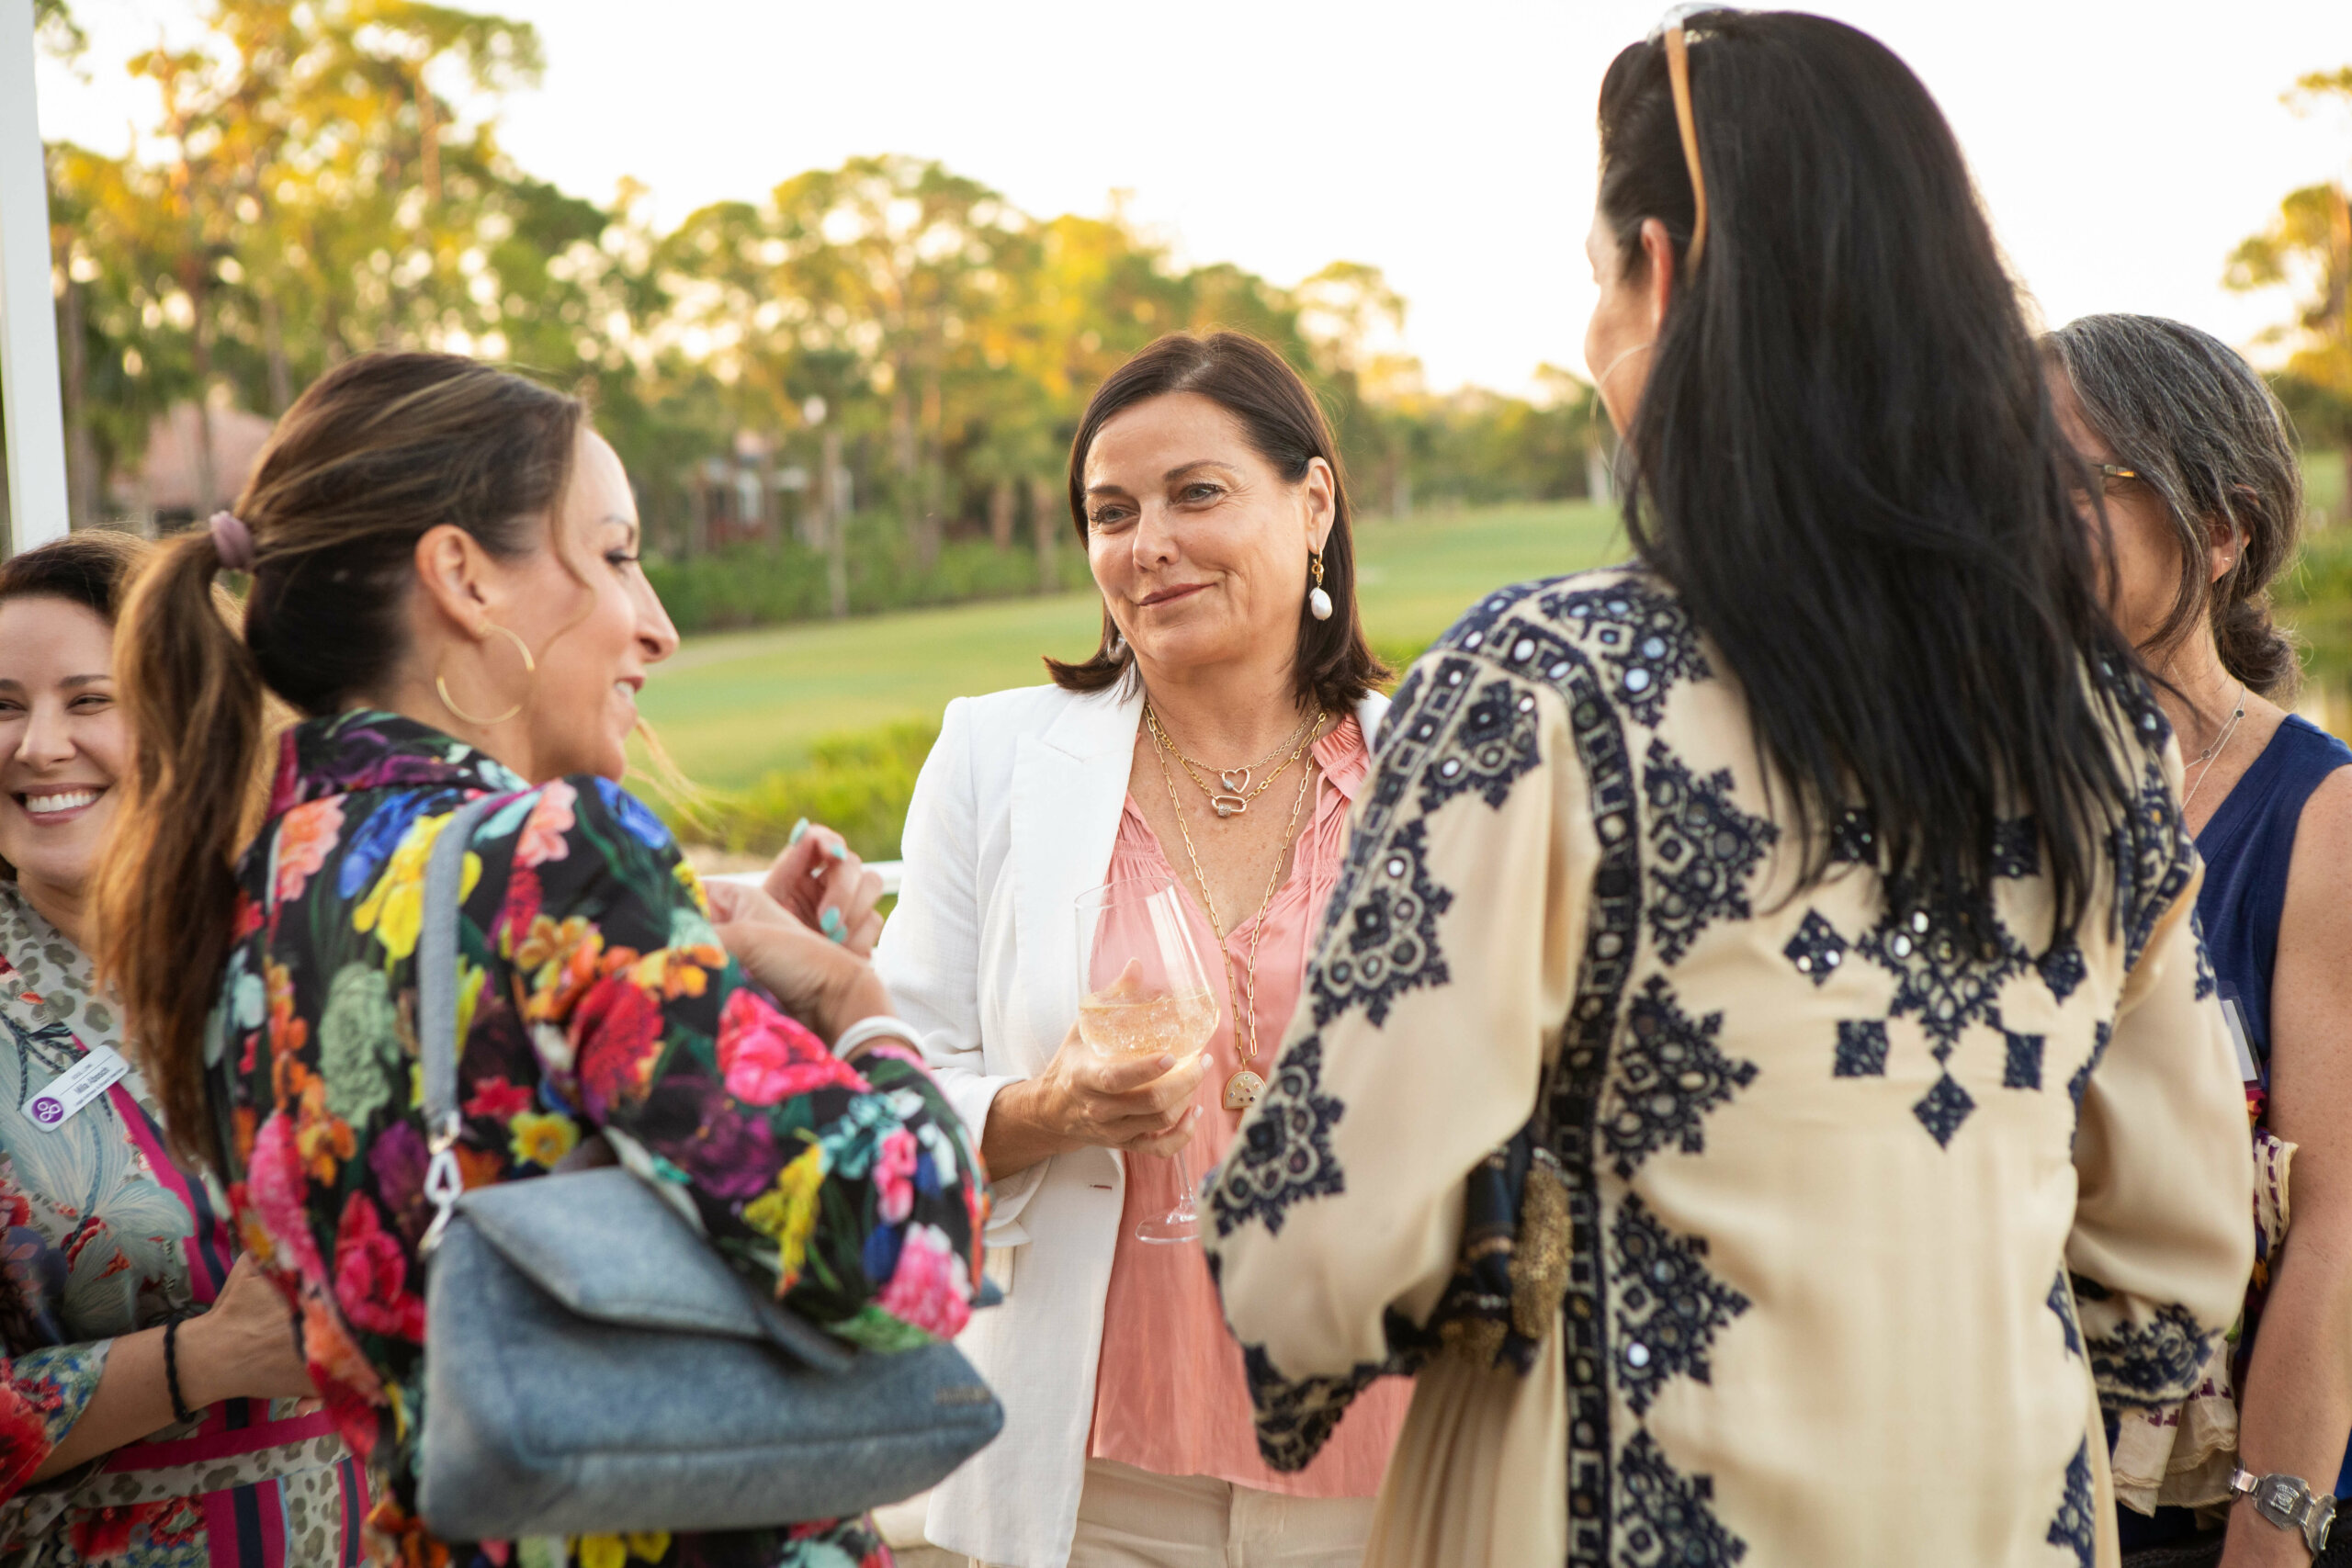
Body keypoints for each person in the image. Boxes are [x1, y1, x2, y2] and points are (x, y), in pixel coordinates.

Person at [1202, 13, 2253, 1567]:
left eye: (1596, 277)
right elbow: (2176, 1267)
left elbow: (1314, 1256)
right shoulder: (2086, 721)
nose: (1591, 331)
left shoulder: (1540, 688)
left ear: (1662, 273)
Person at [90, 350, 985, 1568]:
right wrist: (854, 1004)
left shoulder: (256, 889)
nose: (657, 623)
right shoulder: (554, 855)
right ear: (463, 577)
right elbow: (900, 1249)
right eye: (614, 556)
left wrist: (710, 990)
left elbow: (495, 1124)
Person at [874, 330, 1408, 1568]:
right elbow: (888, 1088)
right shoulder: (993, 760)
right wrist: (1043, 1109)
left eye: (1196, 493)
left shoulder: (1440, 770)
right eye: (1110, 512)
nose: (1146, 542)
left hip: (1396, 1469)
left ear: (1313, 502)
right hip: (1096, 1484)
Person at [2047, 313, 2352, 1566]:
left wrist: (2270, 1526)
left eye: (2077, 480)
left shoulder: (2320, 813)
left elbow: (2336, 1220)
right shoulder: (1984, 799)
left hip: (2217, 1508)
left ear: (2221, 530)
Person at [0, 530, 365, 1562]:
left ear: (185, 717)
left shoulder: (315, 948)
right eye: (2, 707)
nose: (38, 746)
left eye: (89, 699)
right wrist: (200, 1360)